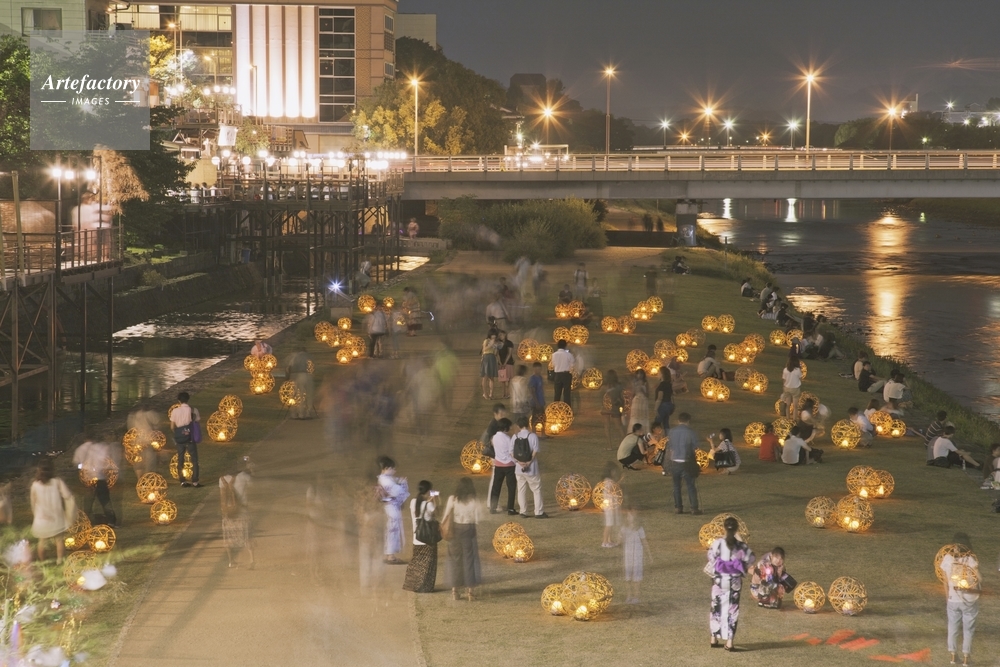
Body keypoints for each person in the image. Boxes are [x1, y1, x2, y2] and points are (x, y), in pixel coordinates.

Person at [707, 517, 755, 651]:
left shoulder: (717, 543)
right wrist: (739, 565)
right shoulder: (741, 546)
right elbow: (751, 558)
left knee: (716, 608)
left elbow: (711, 557)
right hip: (734, 581)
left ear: (724, 528)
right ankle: (729, 642)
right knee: (732, 610)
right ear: (736, 529)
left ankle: (713, 638)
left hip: (719, 580)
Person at [940, 534, 980, 666]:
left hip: (953, 599)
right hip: (969, 601)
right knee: (968, 629)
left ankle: (953, 655)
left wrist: (948, 597)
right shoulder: (971, 560)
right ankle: (966, 657)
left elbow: (945, 581)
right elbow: (976, 580)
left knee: (952, 627)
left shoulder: (947, 559)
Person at [443, 478, 482, 601]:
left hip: (455, 529)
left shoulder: (453, 499)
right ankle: (470, 591)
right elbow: (477, 518)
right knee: (469, 560)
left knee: (455, 559)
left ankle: (455, 590)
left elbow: (446, 516)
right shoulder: (474, 500)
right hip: (468, 530)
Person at [30, 458, 75, 564]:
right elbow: (67, 495)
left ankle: (43, 562)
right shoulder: (57, 482)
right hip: (56, 517)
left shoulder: (35, 485)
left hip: (42, 518)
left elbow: (33, 501)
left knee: (42, 541)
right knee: (59, 540)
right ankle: (59, 560)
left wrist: (35, 514)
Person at [219, 456, 255, 569]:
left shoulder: (222, 479)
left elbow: (222, 498)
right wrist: (249, 469)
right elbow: (252, 486)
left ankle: (231, 561)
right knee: (247, 536)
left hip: (228, 513)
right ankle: (252, 561)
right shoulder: (243, 476)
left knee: (228, 538)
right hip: (242, 511)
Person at [403, 480, 438, 593]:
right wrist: (434, 500)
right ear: (428, 491)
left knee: (417, 562)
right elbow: (436, 514)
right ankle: (426, 586)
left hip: (417, 538)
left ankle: (413, 584)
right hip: (427, 539)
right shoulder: (429, 504)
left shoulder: (413, 502)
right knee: (428, 564)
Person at [663, 413, 701, 514]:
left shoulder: (672, 431)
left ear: (679, 420)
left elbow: (670, 446)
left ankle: (678, 507)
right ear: (688, 421)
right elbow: (695, 446)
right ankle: (694, 508)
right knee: (690, 486)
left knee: (676, 486)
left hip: (675, 461)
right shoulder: (690, 432)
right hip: (687, 461)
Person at [72, 438, 118, 523]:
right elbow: (105, 462)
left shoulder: (81, 448)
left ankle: (86, 520)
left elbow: (76, 463)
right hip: (100, 478)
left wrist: (82, 468)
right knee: (105, 501)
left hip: (88, 479)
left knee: (88, 501)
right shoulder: (101, 447)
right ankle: (111, 521)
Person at [513, 416, 548, 518]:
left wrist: (519, 462)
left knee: (521, 490)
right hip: (531, 468)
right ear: (528, 424)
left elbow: (511, 452)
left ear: (518, 426)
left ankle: (523, 511)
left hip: (519, 469)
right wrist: (528, 462)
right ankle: (539, 512)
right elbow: (535, 451)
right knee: (536, 489)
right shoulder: (533, 436)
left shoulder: (515, 437)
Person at [377, 456, 409, 565]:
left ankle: (389, 554)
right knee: (393, 530)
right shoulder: (386, 480)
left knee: (391, 530)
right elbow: (398, 492)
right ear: (387, 468)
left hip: (390, 507)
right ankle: (390, 556)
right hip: (391, 508)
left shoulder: (384, 479)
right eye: (393, 468)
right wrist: (403, 483)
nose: (394, 471)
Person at [169, 391, 202, 488]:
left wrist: (179, 433)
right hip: (190, 438)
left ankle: (182, 481)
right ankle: (195, 481)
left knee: (180, 459)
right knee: (194, 460)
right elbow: (197, 421)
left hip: (180, 439)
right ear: (188, 399)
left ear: (179, 400)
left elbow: (172, 427)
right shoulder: (193, 410)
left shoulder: (174, 411)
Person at [621, 507, 652, 604]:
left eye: (630, 516)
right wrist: (619, 537)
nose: (628, 517)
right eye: (627, 516)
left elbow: (644, 542)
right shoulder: (624, 528)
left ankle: (636, 596)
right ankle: (629, 595)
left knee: (636, 576)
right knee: (628, 576)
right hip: (628, 555)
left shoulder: (639, 529)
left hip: (637, 556)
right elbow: (620, 540)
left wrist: (649, 555)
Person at [489, 418, 518, 515]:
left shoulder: (494, 437)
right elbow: (511, 452)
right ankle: (510, 508)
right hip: (509, 465)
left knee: (496, 487)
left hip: (498, 464)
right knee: (511, 487)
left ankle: (493, 507)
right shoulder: (508, 439)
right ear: (505, 428)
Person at [286, 347, 314, 418]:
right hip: (304, 375)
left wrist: (287, 378)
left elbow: (288, 368)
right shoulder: (306, 356)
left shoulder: (293, 357)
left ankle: (295, 413)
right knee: (305, 395)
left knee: (295, 395)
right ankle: (307, 413)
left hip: (295, 376)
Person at [600, 464, 622, 548]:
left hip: (611, 506)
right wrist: (621, 480)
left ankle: (609, 540)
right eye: (613, 471)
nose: (615, 472)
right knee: (608, 524)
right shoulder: (608, 481)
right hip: (610, 506)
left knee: (610, 523)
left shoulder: (609, 481)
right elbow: (611, 490)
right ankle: (604, 542)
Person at [603, 369, 627, 447]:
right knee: (619, 427)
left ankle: (609, 445)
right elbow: (622, 398)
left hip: (605, 408)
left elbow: (603, 397)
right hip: (615, 407)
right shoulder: (619, 386)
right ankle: (623, 444)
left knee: (607, 426)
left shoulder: (605, 387)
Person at [627, 369, 651, 435]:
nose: (640, 375)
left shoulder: (645, 383)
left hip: (643, 401)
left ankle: (643, 432)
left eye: (641, 373)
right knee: (635, 416)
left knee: (643, 416)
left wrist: (642, 391)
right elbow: (633, 394)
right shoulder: (634, 383)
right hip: (636, 401)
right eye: (638, 374)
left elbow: (648, 395)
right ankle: (634, 431)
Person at [551, 340, 574, 405]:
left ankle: (555, 408)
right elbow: (572, 364)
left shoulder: (554, 355)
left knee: (557, 393)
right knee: (567, 394)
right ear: (565, 346)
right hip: (566, 374)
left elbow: (553, 364)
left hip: (557, 375)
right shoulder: (568, 355)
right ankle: (567, 408)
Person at [528, 363, 547, 436]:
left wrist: (543, 400)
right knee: (535, 418)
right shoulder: (533, 379)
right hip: (535, 402)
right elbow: (532, 391)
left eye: (539, 369)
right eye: (537, 369)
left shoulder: (540, 378)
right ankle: (534, 434)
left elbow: (541, 389)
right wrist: (536, 403)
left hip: (541, 401)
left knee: (543, 417)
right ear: (533, 369)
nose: (538, 371)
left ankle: (543, 433)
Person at [480, 331, 499, 400]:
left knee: (491, 377)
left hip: (492, 358)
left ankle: (491, 394)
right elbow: (484, 349)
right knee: (485, 377)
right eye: (493, 334)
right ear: (490, 335)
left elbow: (495, 353)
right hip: (486, 358)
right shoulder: (486, 341)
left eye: (495, 335)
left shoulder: (495, 342)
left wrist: (496, 348)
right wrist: (490, 345)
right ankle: (485, 394)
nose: (494, 336)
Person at [496, 331, 515, 399]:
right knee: (503, 379)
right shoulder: (498, 343)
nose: (501, 336)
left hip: (508, 362)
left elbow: (509, 353)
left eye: (502, 335)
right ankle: (503, 394)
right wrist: (500, 362)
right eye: (499, 335)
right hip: (501, 363)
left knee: (508, 380)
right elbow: (497, 354)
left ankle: (508, 393)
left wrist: (505, 363)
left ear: (505, 335)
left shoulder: (509, 343)